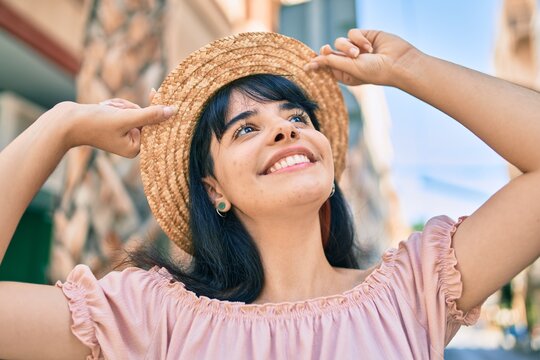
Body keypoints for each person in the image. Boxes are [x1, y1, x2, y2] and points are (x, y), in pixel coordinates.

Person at [0, 28, 539, 359]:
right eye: (245, 129)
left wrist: (410, 69)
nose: (286, 131)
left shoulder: (413, 291)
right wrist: (60, 126)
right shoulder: (151, 318)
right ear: (214, 188)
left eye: (298, 118)